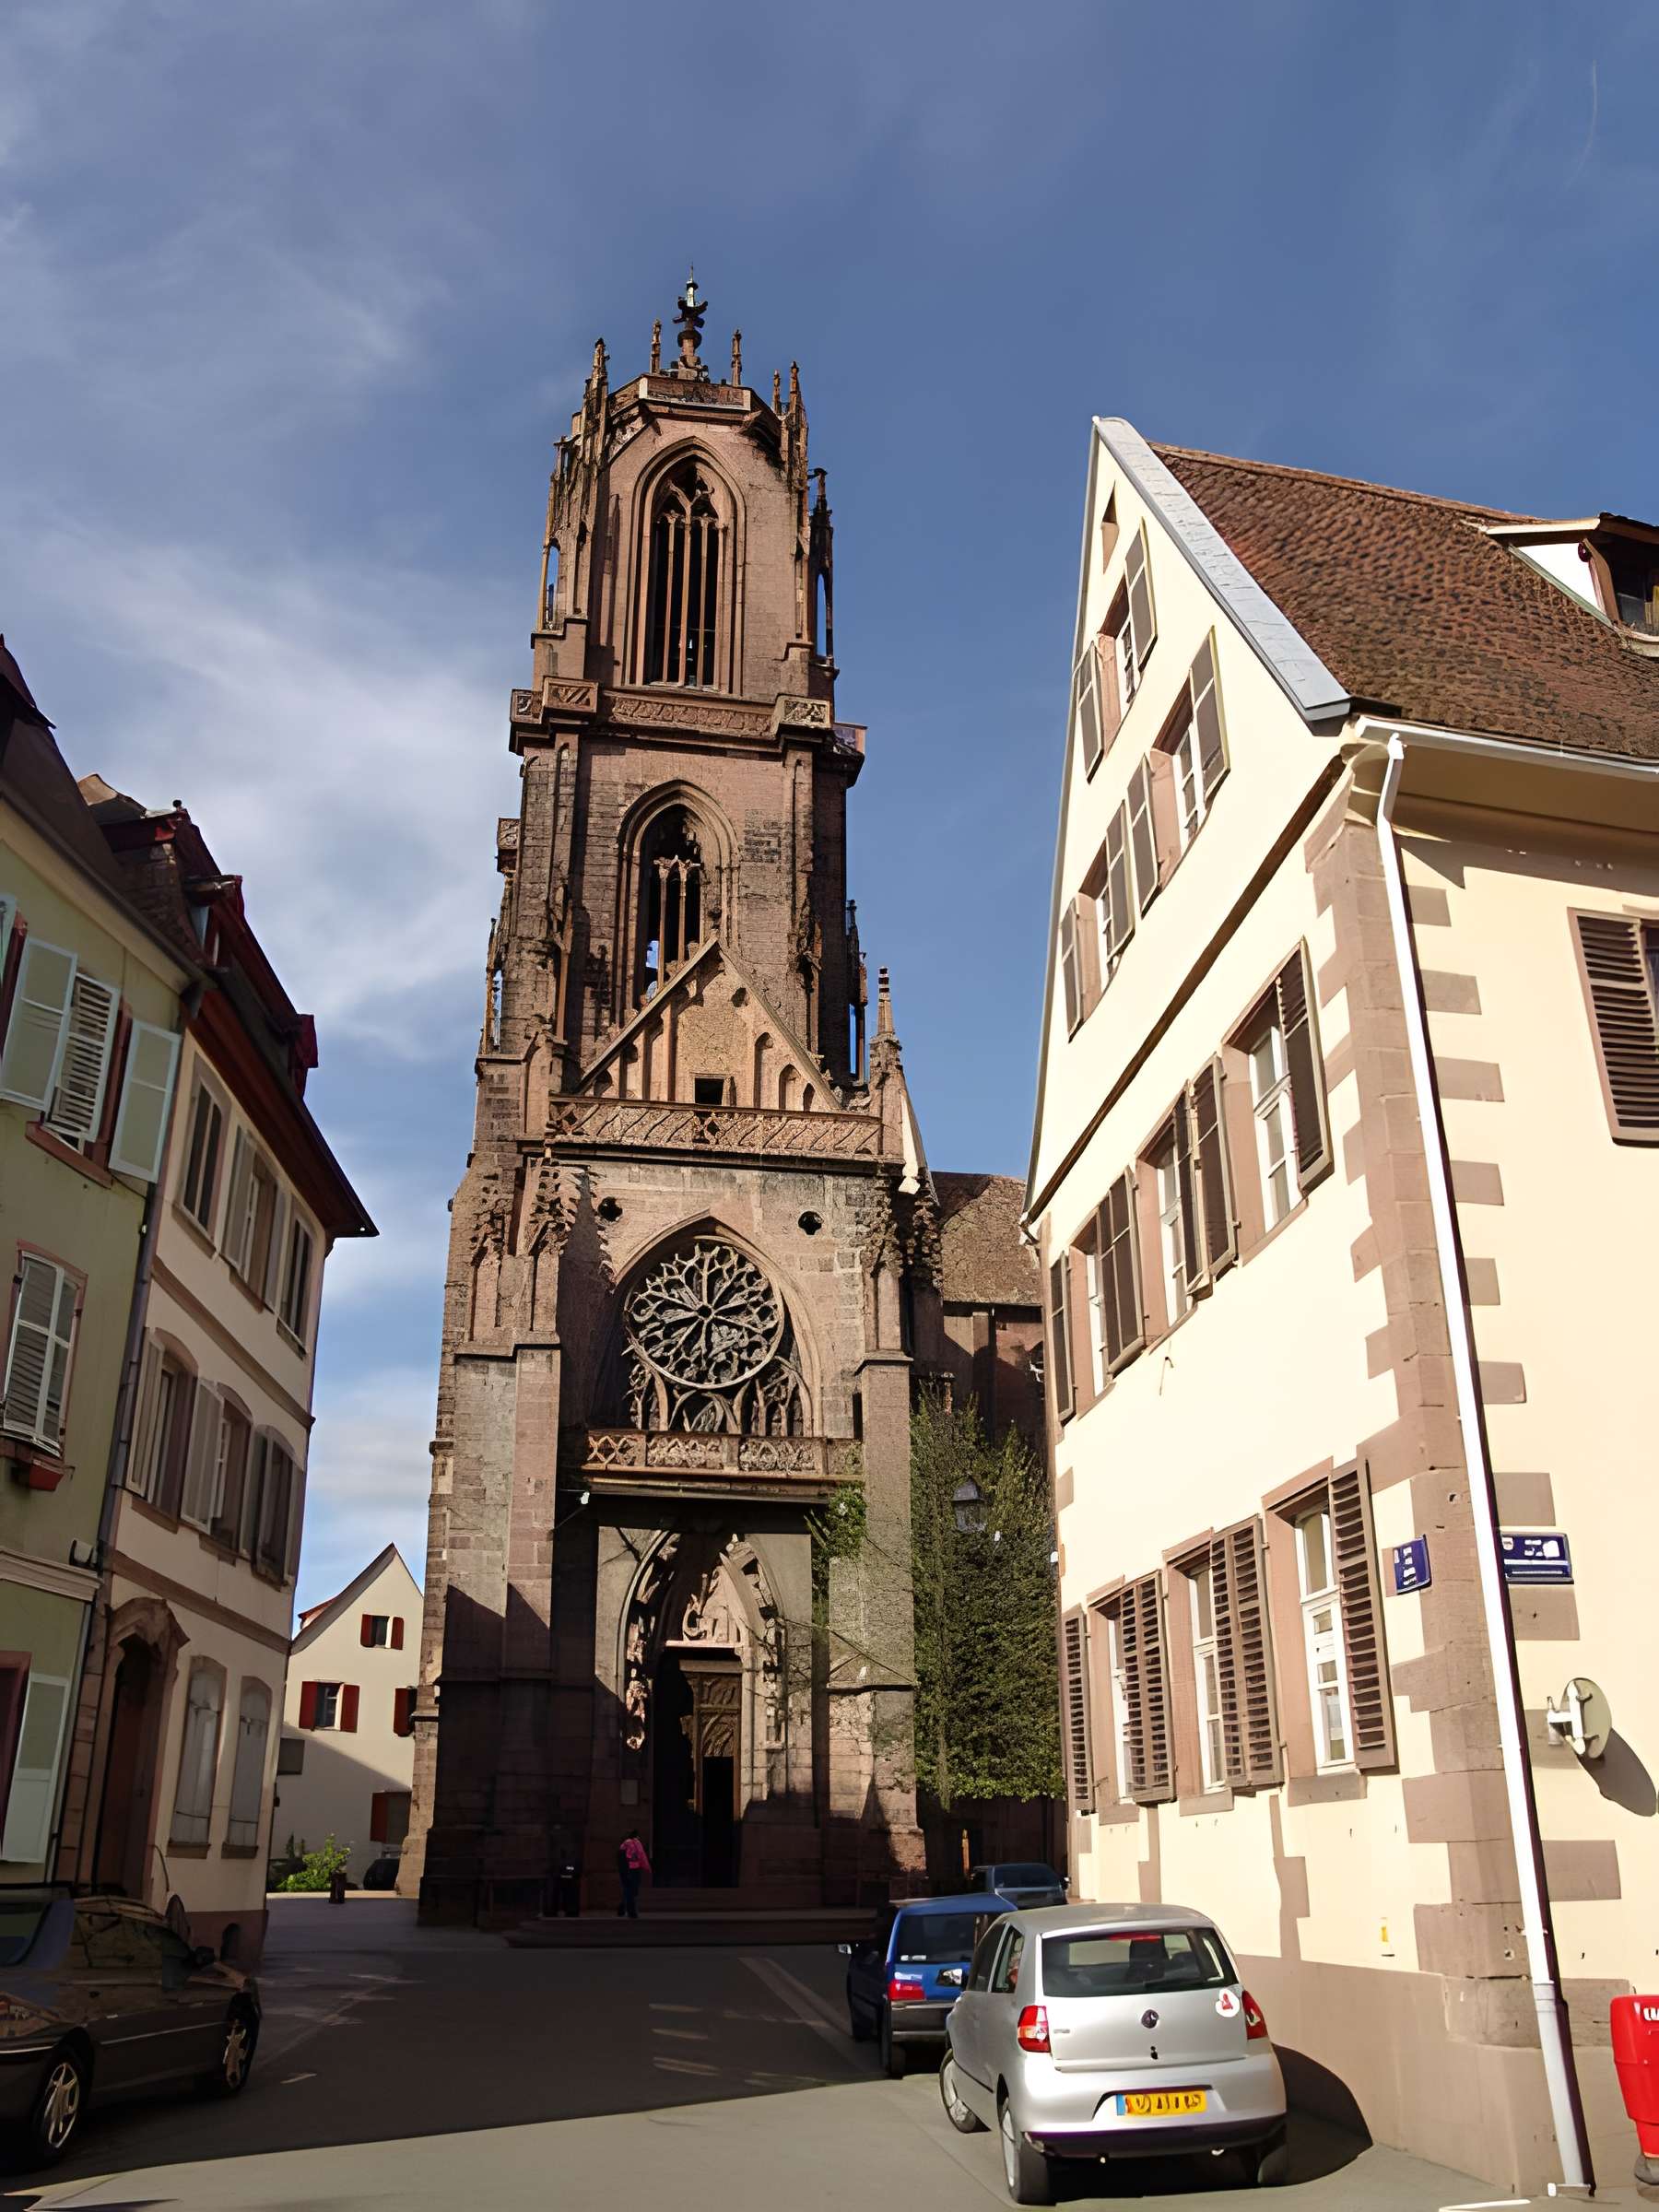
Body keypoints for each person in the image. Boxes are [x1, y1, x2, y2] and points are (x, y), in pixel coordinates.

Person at [616, 1829, 651, 1919]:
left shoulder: (623, 1844)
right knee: (632, 1891)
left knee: (627, 1889)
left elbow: (620, 1858)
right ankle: (631, 1912)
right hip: (634, 1869)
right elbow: (642, 1855)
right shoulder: (637, 1843)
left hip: (625, 1869)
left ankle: (622, 1908)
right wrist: (647, 1868)